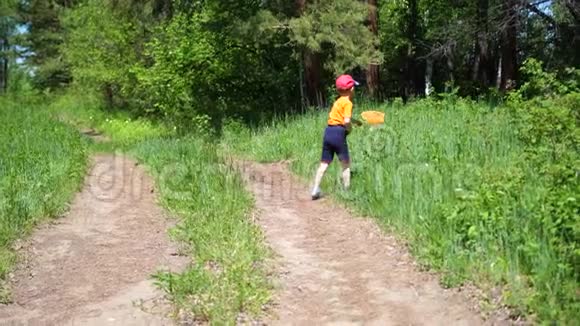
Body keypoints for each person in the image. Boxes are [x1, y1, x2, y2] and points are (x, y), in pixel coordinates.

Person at [311, 74, 360, 200]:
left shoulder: (337, 102)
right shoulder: (348, 103)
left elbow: (341, 117)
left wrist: (356, 122)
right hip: (339, 133)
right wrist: (349, 129)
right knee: (345, 163)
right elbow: (346, 121)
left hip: (328, 131)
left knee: (324, 163)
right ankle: (347, 190)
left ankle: (315, 189)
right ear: (352, 89)